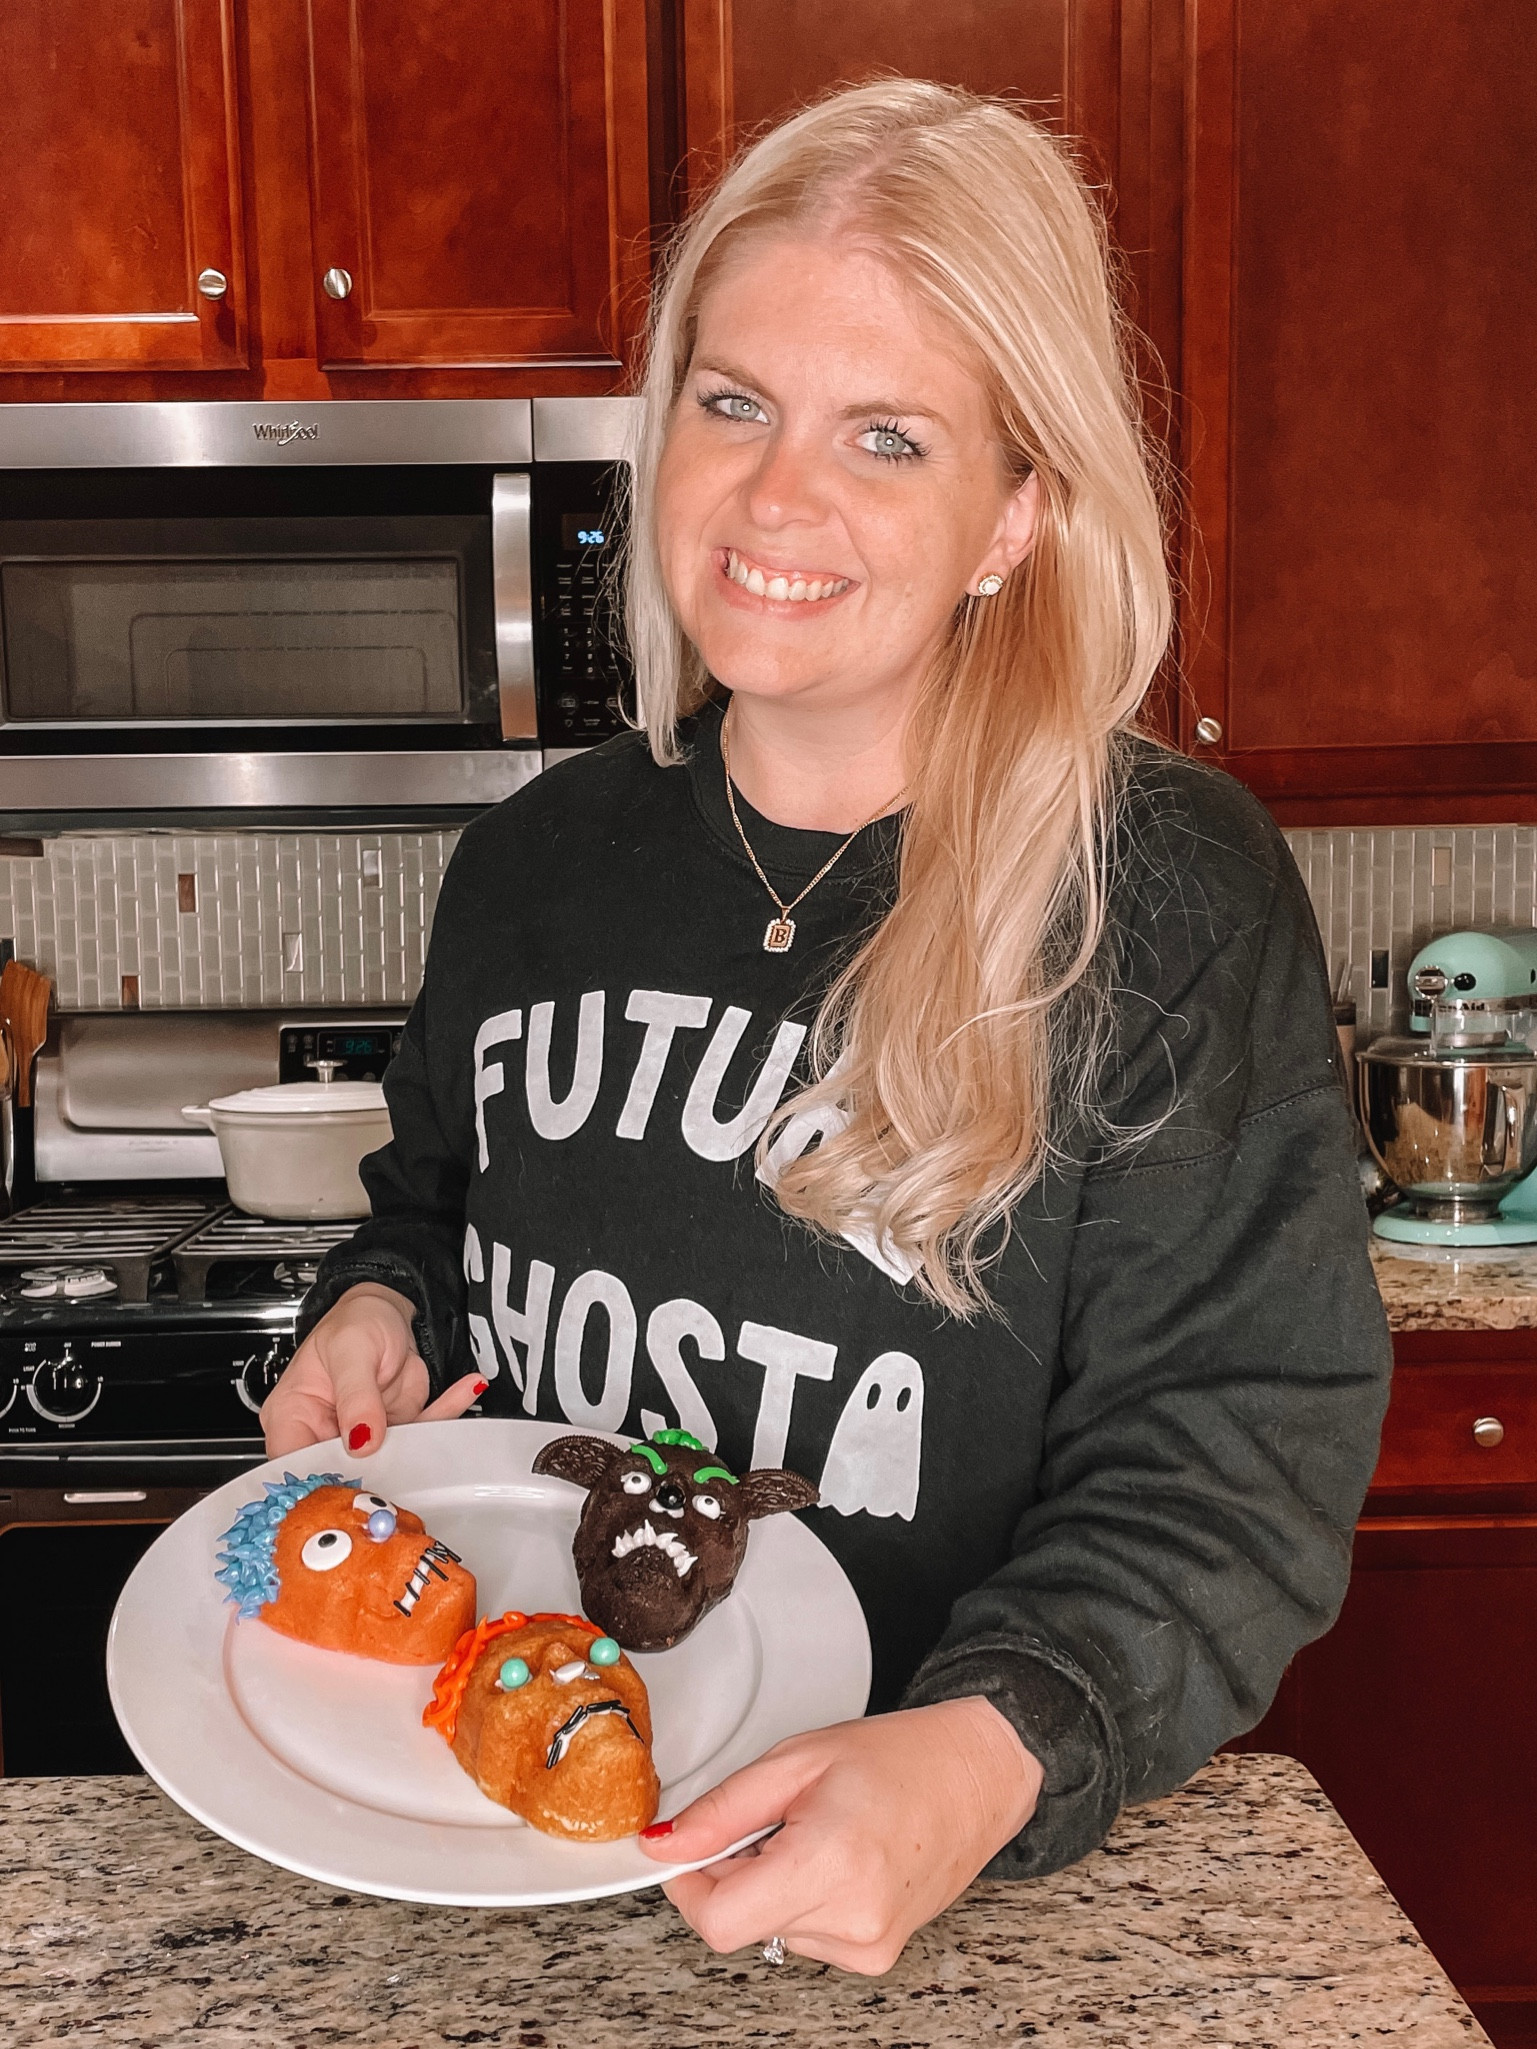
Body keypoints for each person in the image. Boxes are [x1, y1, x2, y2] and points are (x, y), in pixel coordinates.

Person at [262, 79, 1391, 1973]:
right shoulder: (538, 860)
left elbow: (1236, 1444)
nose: (777, 499)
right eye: (732, 403)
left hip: (944, 1875)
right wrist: (377, 1313)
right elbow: (438, 1213)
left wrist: (979, 1756)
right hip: (502, 1807)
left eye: (886, 435)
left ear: (1014, 510)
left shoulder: (1163, 894)